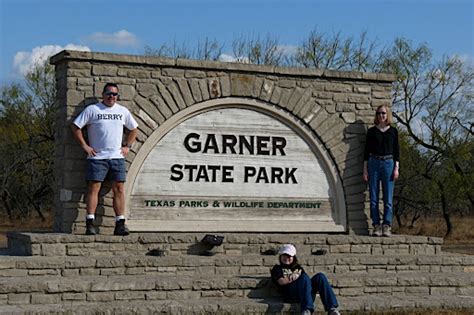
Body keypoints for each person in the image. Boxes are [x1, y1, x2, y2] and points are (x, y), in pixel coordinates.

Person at [71, 83, 138, 236]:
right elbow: (75, 127)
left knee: (119, 189)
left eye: (115, 94)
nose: (112, 97)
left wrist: (127, 146)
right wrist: (85, 146)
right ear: (103, 94)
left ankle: (120, 224)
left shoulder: (122, 111)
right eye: (109, 93)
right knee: (94, 189)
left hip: (117, 157)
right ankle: (90, 223)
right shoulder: (93, 110)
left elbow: (134, 129)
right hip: (97, 157)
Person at [270, 244, 340, 315]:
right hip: (291, 295)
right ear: (280, 256)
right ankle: (306, 310)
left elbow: (305, 283)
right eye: (284, 255)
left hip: (304, 295)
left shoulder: (298, 268)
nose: (286, 258)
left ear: (293, 257)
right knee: (304, 277)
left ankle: (332, 308)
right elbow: (281, 281)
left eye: (289, 256)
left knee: (320, 276)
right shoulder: (277, 269)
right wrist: (294, 276)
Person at [363, 105, 400, 237]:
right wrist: (365, 170)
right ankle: (376, 225)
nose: (381, 116)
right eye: (379, 113)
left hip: (388, 163)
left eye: (383, 113)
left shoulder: (393, 131)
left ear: (387, 115)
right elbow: (366, 152)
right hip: (374, 162)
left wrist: (396, 168)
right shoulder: (372, 132)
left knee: (388, 198)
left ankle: (387, 225)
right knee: (373, 197)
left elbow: (396, 151)